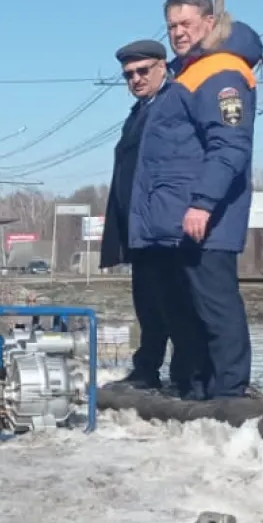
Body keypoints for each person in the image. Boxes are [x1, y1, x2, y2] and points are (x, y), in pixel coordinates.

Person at [127, 0, 263, 400]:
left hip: (206, 219)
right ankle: (196, 389)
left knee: (216, 307)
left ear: (209, 22)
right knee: (185, 310)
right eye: (172, 26)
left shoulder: (221, 72)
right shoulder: (188, 72)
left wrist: (203, 203)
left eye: (186, 24)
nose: (178, 33)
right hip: (179, 221)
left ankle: (229, 393)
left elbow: (230, 145)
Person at [102, 39, 180, 391]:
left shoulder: (171, 103)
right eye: (128, 74)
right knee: (147, 303)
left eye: (142, 70)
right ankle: (146, 367)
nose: (135, 79)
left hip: (163, 224)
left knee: (172, 303)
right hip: (139, 226)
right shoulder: (138, 112)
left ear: (162, 66)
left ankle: (185, 374)